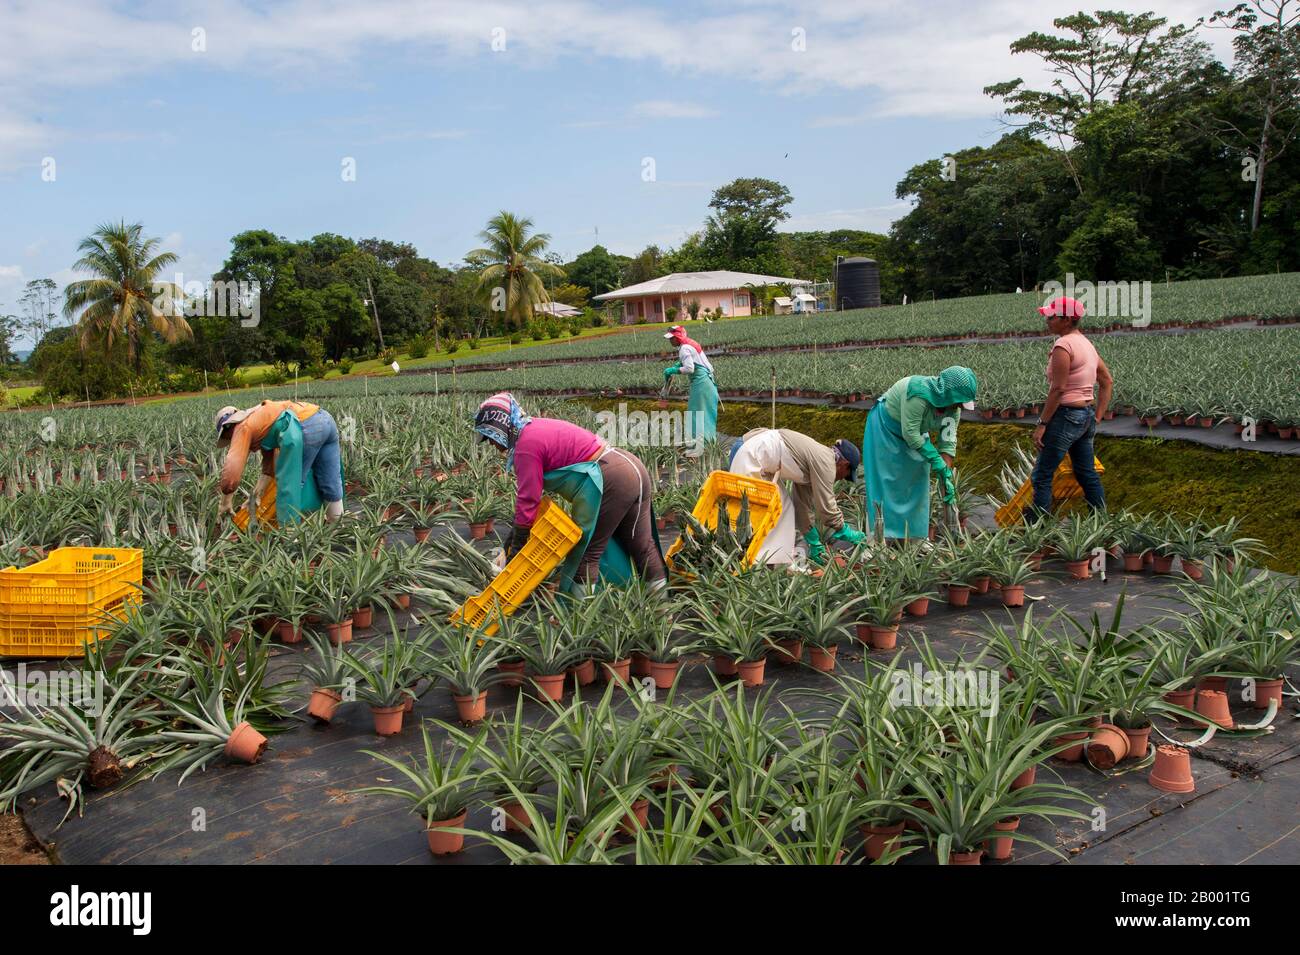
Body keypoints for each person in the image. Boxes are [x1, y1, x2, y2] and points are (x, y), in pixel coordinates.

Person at [474, 393, 667, 592]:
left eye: (491, 436)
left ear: (503, 427)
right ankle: (662, 609)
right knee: (641, 543)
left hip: (609, 478)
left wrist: (515, 552)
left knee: (586, 550)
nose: (491, 443)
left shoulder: (525, 447)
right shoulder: (534, 427)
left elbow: (528, 500)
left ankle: (579, 612)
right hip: (628, 465)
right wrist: (515, 538)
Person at [861, 365, 978, 541]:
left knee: (919, 479)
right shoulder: (918, 394)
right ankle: (877, 539)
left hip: (914, 434)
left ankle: (915, 537)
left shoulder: (954, 410)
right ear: (948, 394)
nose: (960, 406)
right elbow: (911, 434)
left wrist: (945, 475)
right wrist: (935, 460)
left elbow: (948, 441)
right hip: (886, 429)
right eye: (959, 401)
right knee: (883, 479)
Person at [729, 428, 865, 565]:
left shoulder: (815, 464)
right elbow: (826, 507)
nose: (841, 479)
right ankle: (747, 561)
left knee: (784, 508)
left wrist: (812, 539)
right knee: (750, 513)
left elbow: (801, 505)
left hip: (757, 456)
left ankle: (769, 562)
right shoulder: (827, 463)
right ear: (844, 464)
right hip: (752, 455)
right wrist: (843, 529)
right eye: (846, 476)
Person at [1030, 296, 1111, 517]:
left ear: (1066, 319)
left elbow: (1058, 389)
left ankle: (1038, 534)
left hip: (1065, 416)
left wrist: (1042, 423)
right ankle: (1101, 524)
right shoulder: (1086, 344)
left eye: (1051, 316)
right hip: (1085, 417)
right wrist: (1097, 417)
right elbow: (1106, 381)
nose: (1047, 320)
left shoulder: (1063, 345)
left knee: (1042, 475)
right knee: (1087, 474)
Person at [216, 400, 344, 524]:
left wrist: (225, 502)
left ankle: (290, 537)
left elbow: (232, 471)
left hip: (305, 427)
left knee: (290, 485)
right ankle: (336, 524)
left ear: (228, 427)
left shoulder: (241, 427)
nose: (231, 441)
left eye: (227, 438)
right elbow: (269, 466)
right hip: (325, 419)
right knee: (330, 479)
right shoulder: (261, 419)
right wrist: (256, 494)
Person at [662, 325, 719, 447]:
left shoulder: (684, 349)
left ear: (678, 337)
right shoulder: (688, 344)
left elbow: (690, 368)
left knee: (698, 414)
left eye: (672, 338)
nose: (670, 341)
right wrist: (679, 364)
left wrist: (673, 370)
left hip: (702, 383)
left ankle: (700, 445)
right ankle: (705, 443)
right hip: (704, 382)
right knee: (701, 413)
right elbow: (696, 360)